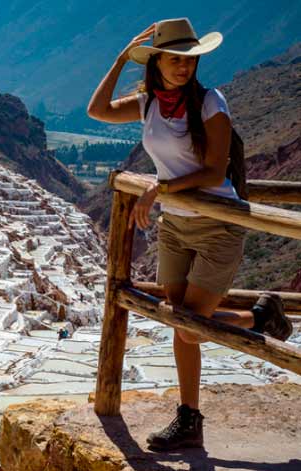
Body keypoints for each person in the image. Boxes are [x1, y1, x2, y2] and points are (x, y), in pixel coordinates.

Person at [86, 18, 293, 451]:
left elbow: (214, 171)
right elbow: (98, 111)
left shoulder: (210, 103)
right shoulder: (147, 102)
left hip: (216, 224)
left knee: (189, 326)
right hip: (176, 225)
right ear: (156, 61)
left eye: (190, 59)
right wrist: (121, 59)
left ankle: (257, 318)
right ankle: (189, 416)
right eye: (176, 59)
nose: (184, 67)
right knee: (177, 318)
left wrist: (159, 188)